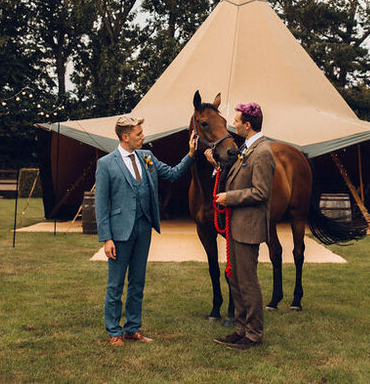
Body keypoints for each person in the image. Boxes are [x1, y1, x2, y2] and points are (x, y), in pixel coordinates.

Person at [95, 114, 198, 346]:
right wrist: (106, 238)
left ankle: (133, 328)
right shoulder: (106, 164)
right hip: (119, 232)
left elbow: (172, 174)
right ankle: (114, 331)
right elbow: (101, 205)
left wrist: (191, 154)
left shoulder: (147, 157)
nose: (143, 137)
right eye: (138, 134)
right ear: (125, 137)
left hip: (144, 228)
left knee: (137, 282)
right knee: (115, 284)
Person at [209, 101, 275, 350]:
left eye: (236, 121)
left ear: (247, 125)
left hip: (249, 228)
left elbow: (261, 192)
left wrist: (230, 198)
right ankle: (241, 329)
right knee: (236, 279)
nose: (233, 124)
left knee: (248, 281)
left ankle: (254, 334)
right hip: (237, 226)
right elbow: (237, 178)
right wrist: (216, 167)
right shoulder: (246, 148)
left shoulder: (263, 152)